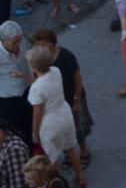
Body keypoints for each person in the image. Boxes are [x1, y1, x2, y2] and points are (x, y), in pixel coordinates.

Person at [26, 45, 85, 188]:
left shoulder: (36, 88)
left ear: (34, 67)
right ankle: (80, 177)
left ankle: (56, 186)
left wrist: (34, 133)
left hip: (49, 122)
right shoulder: (56, 71)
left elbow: (37, 113)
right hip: (64, 113)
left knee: (52, 157)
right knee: (70, 148)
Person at [31, 29, 91, 167]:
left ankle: (83, 152)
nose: (39, 48)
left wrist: (76, 100)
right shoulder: (41, 60)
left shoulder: (66, 56)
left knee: (78, 128)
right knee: (65, 129)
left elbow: (77, 78)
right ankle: (70, 155)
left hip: (72, 97)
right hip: (58, 101)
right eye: (37, 45)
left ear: (51, 44)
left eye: (42, 44)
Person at [0, 21, 32, 149]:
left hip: (27, 91)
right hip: (8, 99)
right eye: (14, 42)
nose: (18, 44)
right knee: (13, 131)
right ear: (3, 40)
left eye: (19, 40)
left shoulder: (22, 44)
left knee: (30, 125)